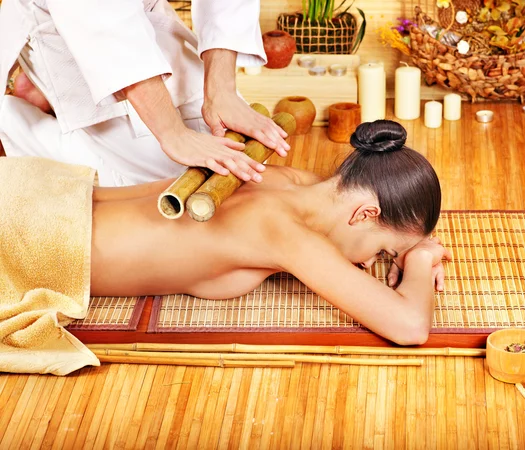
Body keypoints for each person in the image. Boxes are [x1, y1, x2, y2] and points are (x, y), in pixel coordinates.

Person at [90, 120, 452, 345]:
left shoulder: (289, 180)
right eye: (383, 251)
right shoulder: (285, 233)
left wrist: (410, 239)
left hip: (70, 197)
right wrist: (419, 259)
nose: (371, 262)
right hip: (50, 244)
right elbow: (410, 327)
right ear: (365, 214)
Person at [0, 0, 289, 187]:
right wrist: (172, 133)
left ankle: (35, 87)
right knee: (155, 184)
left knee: (238, 163)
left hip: (140, 11)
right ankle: (14, 118)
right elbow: (101, 17)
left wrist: (221, 91)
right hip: (73, 15)